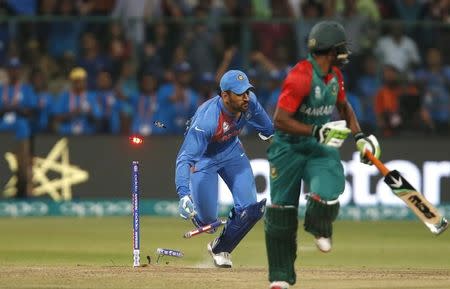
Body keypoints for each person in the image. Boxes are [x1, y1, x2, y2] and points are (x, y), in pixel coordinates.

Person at [264, 21, 381, 289]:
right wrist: (315, 131)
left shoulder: (335, 76)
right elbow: (280, 120)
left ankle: (319, 226)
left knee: (329, 188)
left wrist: (359, 136)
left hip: (319, 146)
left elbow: (344, 107)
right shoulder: (301, 76)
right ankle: (281, 278)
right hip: (288, 148)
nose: (344, 53)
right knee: (281, 212)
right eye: (341, 48)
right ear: (330, 51)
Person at [175, 70, 274, 268]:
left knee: (250, 210)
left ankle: (220, 248)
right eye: (240, 93)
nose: (246, 97)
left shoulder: (250, 102)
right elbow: (184, 158)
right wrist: (184, 195)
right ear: (225, 95)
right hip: (204, 160)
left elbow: (269, 131)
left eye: (247, 91)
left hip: (232, 154)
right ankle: (206, 222)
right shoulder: (207, 120)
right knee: (207, 224)